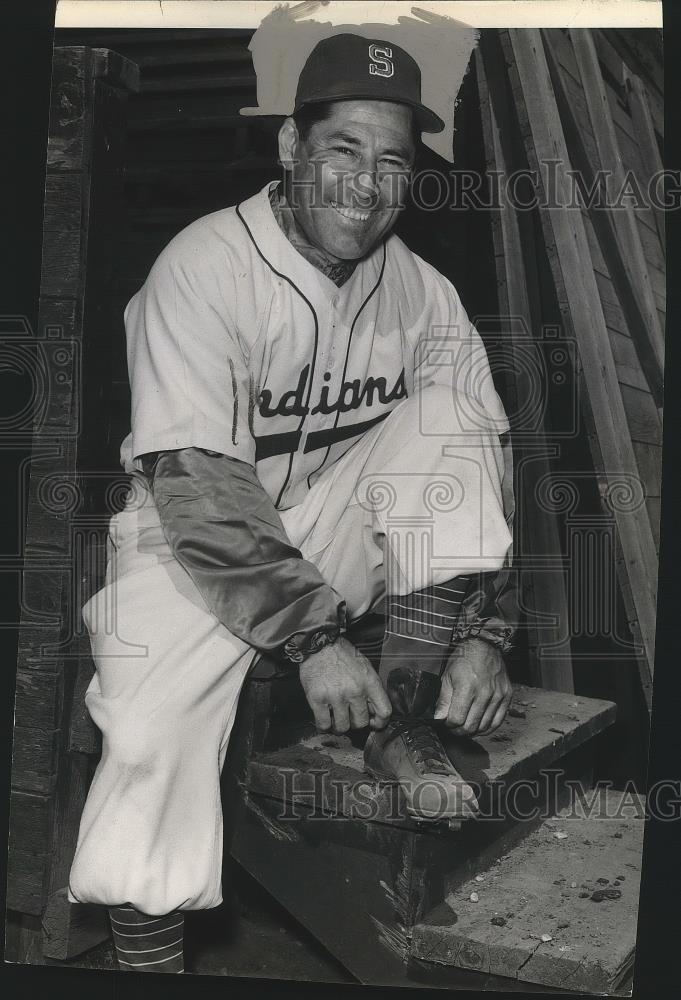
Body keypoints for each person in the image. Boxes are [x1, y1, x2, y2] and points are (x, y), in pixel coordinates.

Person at [68, 33, 517, 974]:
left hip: (333, 524)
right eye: (344, 148)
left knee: (450, 409)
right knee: (149, 731)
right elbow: (198, 486)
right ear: (290, 148)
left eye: (392, 158)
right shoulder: (205, 266)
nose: (367, 181)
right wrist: (313, 640)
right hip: (187, 540)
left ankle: (400, 728)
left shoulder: (424, 293)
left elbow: (481, 450)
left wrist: (482, 627)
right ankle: (147, 962)